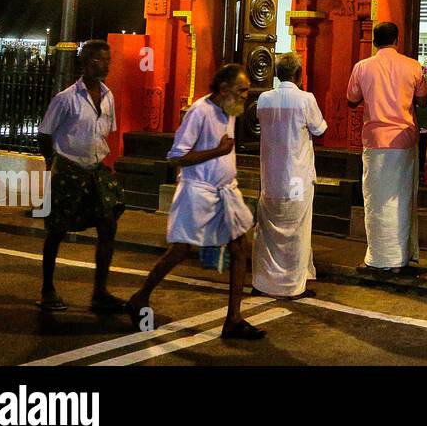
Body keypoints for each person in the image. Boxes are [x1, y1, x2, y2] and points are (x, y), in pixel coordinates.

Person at [127, 65, 262, 339]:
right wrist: (218, 151)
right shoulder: (199, 111)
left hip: (225, 191)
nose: (246, 96)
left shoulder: (231, 109)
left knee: (239, 247)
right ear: (223, 89)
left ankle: (234, 318)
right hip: (197, 191)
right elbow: (176, 156)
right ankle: (140, 297)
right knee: (179, 251)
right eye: (241, 90)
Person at [36, 40, 127, 313]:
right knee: (56, 230)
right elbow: (44, 133)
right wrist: (52, 161)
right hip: (69, 169)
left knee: (108, 224)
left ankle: (100, 292)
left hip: (95, 170)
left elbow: (106, 133)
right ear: (84, 64)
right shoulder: (66, 98)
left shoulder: (109, 96)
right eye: (99, 60)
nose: (105, 64)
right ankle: (47, 289)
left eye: (108, 59)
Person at [347, 22, 427, 273]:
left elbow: (351, 100)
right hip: (404, 141)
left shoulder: (362, 67)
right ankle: (400, 258)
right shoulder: (413, 66)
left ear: (374, 41)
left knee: (376, 200)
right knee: (402, 198)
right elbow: (423, 101)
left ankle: (378, 259)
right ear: (397, 40)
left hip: (374, 141)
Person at [252, 52, 326, 299]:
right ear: (298, 75)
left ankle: (263, 280)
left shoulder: (264, 99)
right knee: (297, 231)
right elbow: (320, 129)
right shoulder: (305, 99)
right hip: (297, 176)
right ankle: (292, 285)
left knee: (268, 232)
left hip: (271, 175)